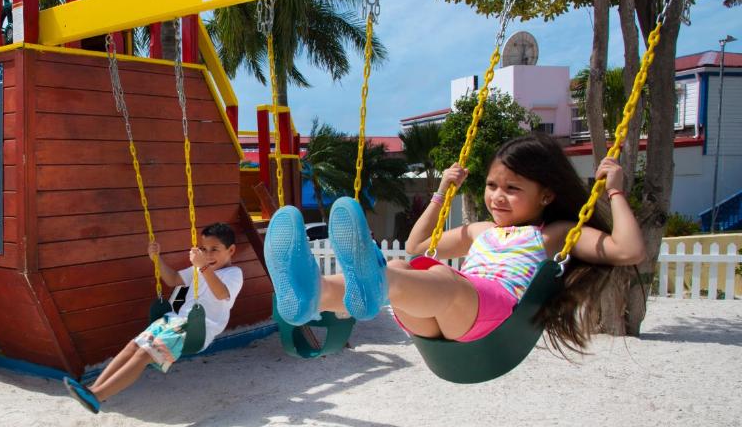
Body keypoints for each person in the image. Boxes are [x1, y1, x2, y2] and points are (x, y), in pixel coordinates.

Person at [265, 132, 647, 355]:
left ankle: (371, 284)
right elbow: (418, 245)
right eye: (492, 185)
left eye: (513, 189)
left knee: (439, 280)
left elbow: (628, 250)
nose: (498, 196)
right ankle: (312, 294)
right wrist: (441, 193)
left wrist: (614, 193)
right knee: (401, 267)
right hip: (437, 322)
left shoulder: (555, 233)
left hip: (495, 319)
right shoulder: (481, 230)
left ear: (547, 195)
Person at [64, 222, 243, 413]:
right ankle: (92, 390)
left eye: (214, 249)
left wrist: (203, 268)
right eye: (203, 249)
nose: (207, 255)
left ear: (231, 250)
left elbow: (221, 293)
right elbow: (173, 279)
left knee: (145, 354)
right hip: (174, 321)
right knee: (133, 346)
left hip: (197, 330)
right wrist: (156, 259)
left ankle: (97, 397)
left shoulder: (233, 274)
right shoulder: (198, 269)